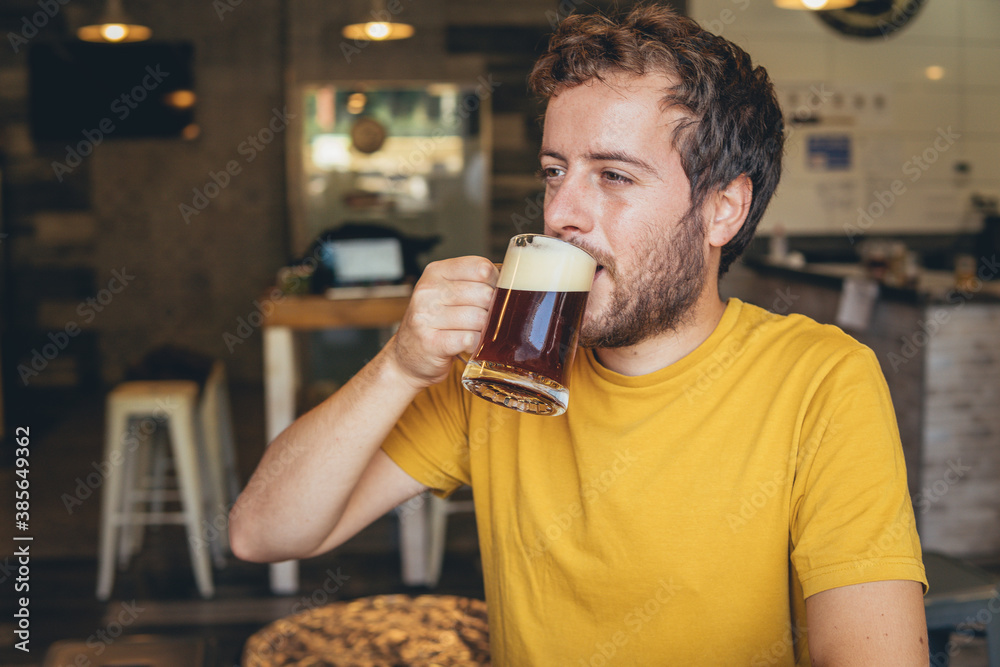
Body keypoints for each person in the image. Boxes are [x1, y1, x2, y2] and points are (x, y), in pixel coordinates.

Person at [231, 4, 929, 664]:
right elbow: (262, 532)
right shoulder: (497, 370)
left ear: (724, 210)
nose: (562, 211)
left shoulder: (820, 380)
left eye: (614, 175)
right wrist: (400, 365)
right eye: (555, 172)